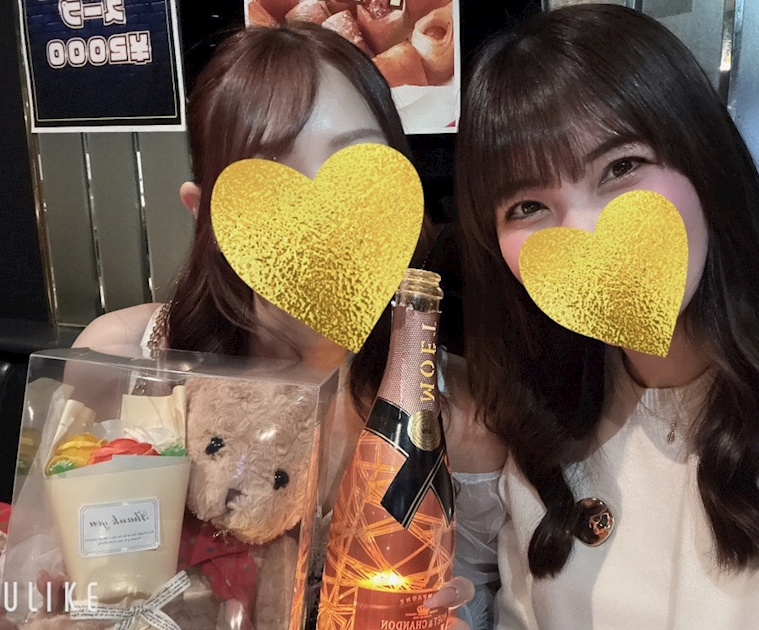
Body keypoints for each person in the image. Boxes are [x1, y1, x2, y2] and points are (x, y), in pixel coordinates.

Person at [72, 22, 505, 629]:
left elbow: (484, 601)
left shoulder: (461, 416)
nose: (322, 211)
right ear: (205, 213)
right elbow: (57, 574)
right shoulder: (124, 364)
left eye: (355, 163)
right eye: (271, 173)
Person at [454, 4, 759, 628]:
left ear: (704, 158)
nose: (585, 233)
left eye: (621, 167)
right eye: (527, 206)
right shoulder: (544, 427)